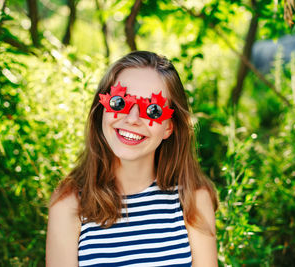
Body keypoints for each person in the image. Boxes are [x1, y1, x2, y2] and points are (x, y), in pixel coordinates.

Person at [46, 51, 219, 266]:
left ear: (169, 127)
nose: (132, 119)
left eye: (153, 109)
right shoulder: (69, 203)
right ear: (103, 109)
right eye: (120, 102)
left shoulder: (193, 199)